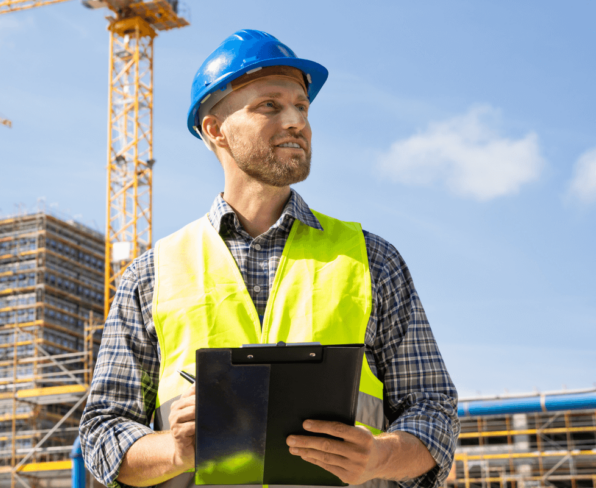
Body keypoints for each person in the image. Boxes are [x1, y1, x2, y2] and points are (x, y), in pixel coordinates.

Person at [78, 30, 459, 488]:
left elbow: (433, 409)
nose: (296, 120)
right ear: (215, 129)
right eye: (270, 106)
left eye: (302, 106)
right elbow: (102, 433)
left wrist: (378, 457)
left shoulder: (372, 260)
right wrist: (175, 451)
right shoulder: (152, 275)